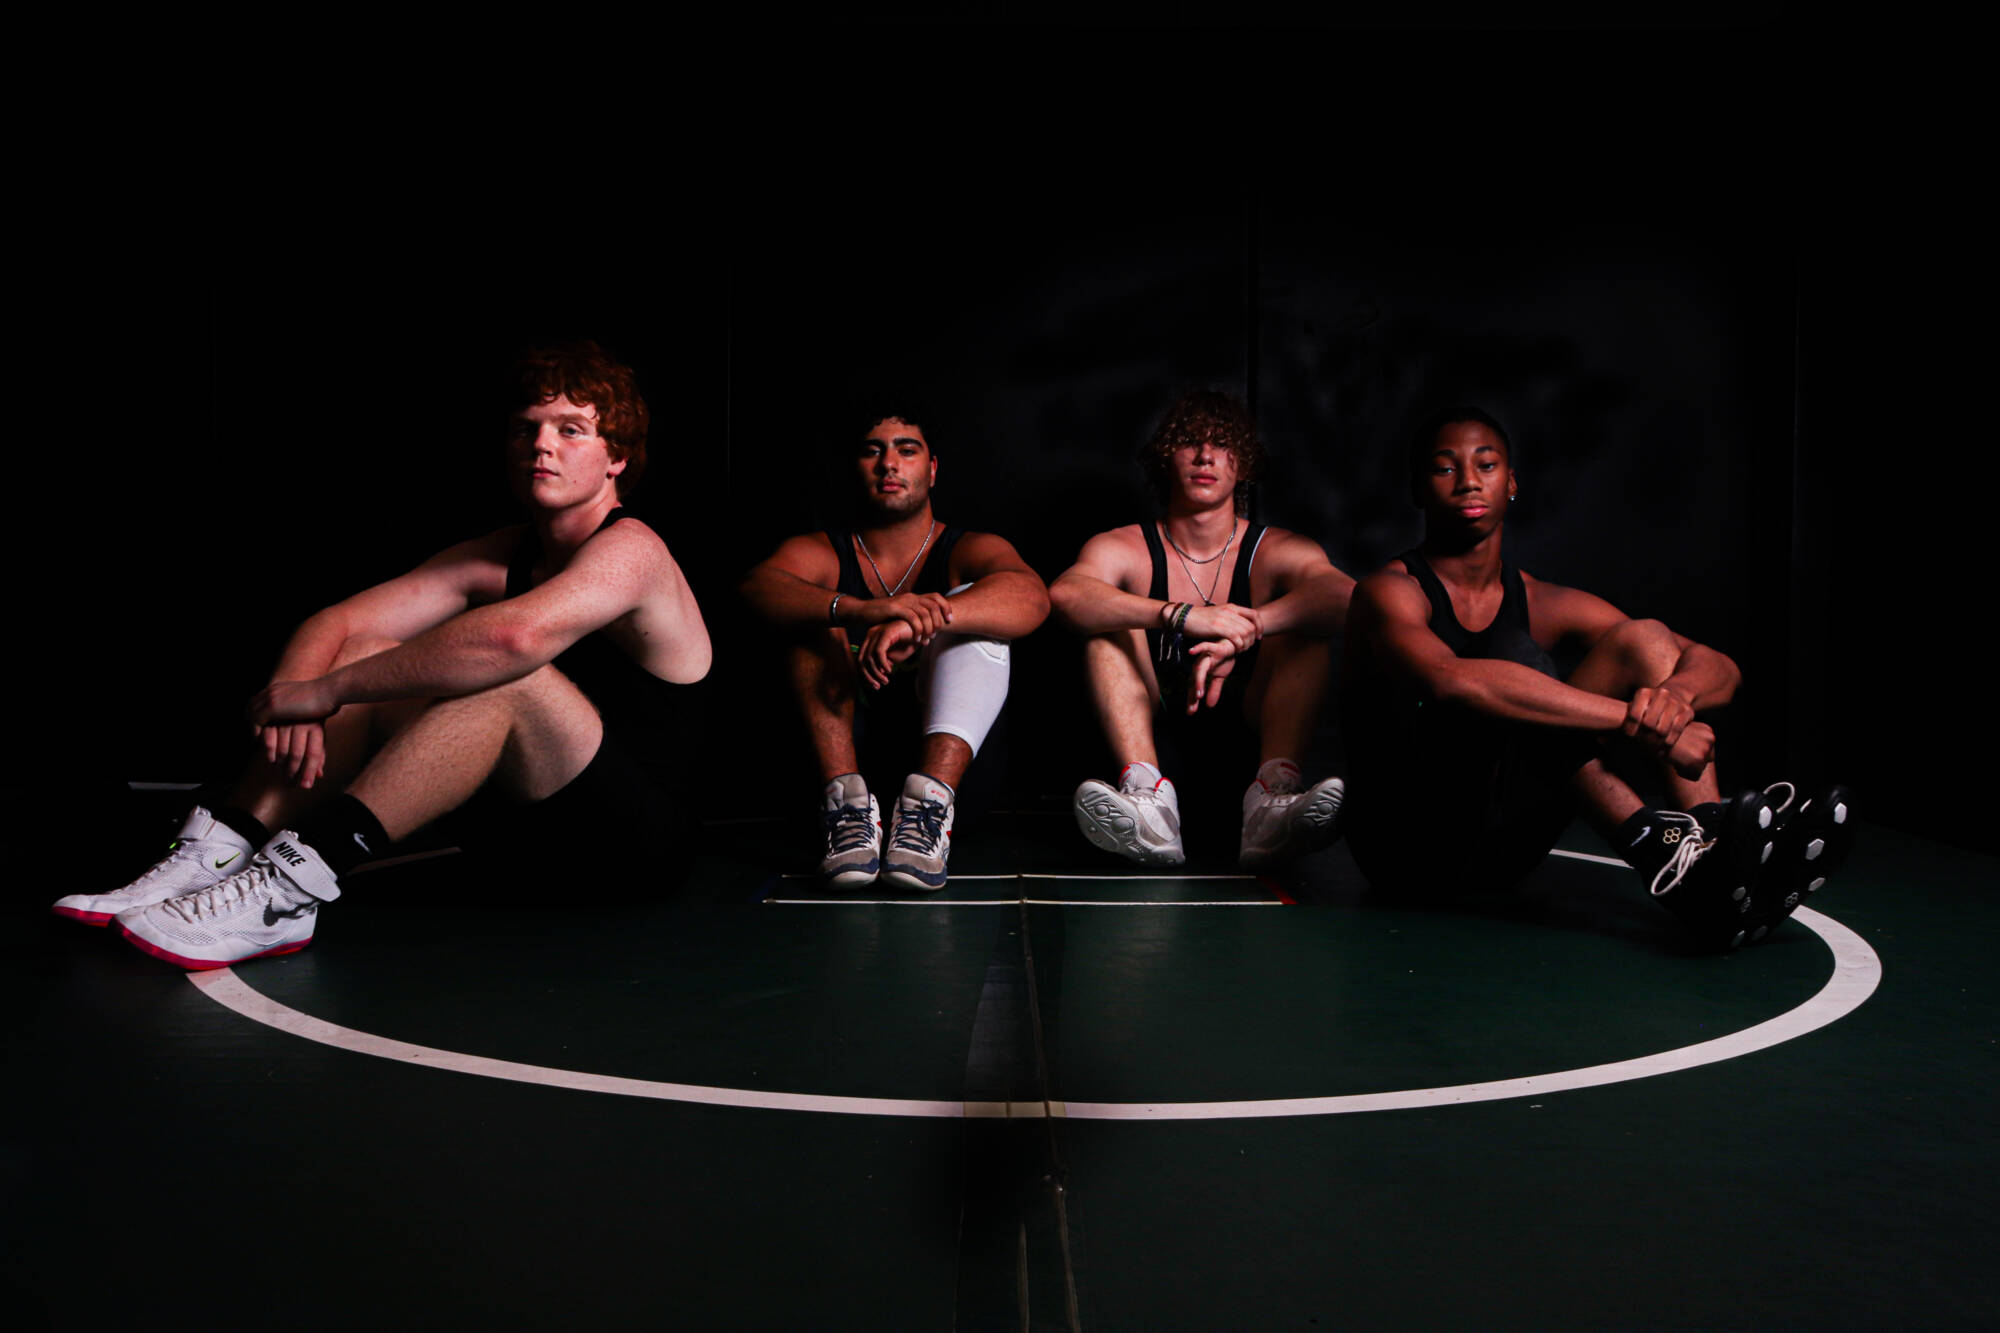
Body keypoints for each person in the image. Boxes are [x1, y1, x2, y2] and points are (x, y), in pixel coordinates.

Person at [53, 342, 713, 966]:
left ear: (616, 457)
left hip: (633, 852)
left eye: (571, 430)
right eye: (526, 428)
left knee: (509, 677)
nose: (542, 444)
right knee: (364, 651)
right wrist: (296, 692)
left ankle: (288, 891)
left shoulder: (633, 550)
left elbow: (511, 640)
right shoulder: (503, 551)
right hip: (526, 842)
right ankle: (219, 850)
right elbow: (339, 621)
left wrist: (327, 691)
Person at [1340, 405, 1852, 947]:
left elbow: (1721, 668)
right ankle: (1670, 860)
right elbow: (1450, 679)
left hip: (1501, 850)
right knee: (1514, 659)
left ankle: (1712, 848)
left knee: (1645, 639)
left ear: (1511, 483)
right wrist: (1644, 723)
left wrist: (1674, 701)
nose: (1468, 481)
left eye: (1486, 465)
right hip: (1407, 853)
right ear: (1418, 489)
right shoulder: (1389, 591)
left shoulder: (1541, 598)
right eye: (1446, 468)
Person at [741, 412, 1048, 891]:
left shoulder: (967, 548)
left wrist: (920, 618)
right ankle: (846, 805)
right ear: (856, 467)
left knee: (979, 616)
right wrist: (861, 609)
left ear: (932, 469)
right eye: (873, 451)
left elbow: (1032, 598)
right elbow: (757, 588)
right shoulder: (823, 551)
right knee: (810, 613)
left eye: (906, 450)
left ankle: (929, 803)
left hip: (950, 786)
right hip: (834, 791)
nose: (889, 463)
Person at [1049, 391, 1355, 869]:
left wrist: (1250, 626)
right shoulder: (1126, 546)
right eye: (1190, 442)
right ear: (1166, 458)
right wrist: (1183, 615)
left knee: (1304, 625)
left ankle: (1275, 795)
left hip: (1248, 756)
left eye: (1223, 444)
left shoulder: (1273, 549)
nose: (1206, 456)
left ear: (1243, 463)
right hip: (1156, 752)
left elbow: (1344, 597)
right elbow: (1067, 595)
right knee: (1105, 622)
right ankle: (1147, 800)